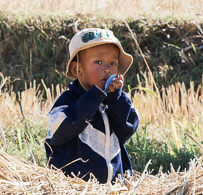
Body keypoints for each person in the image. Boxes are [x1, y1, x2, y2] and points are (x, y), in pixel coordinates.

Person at [45, 28, 141, 183]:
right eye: (98, 62)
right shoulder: (69, 100)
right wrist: (94, 98)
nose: (107, 68)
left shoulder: (116, 100)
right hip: (76, 190)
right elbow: (59, 132)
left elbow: (128, 128)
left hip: (113, 191)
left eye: (113, 63)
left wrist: (115, 99)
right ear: (77, 69)